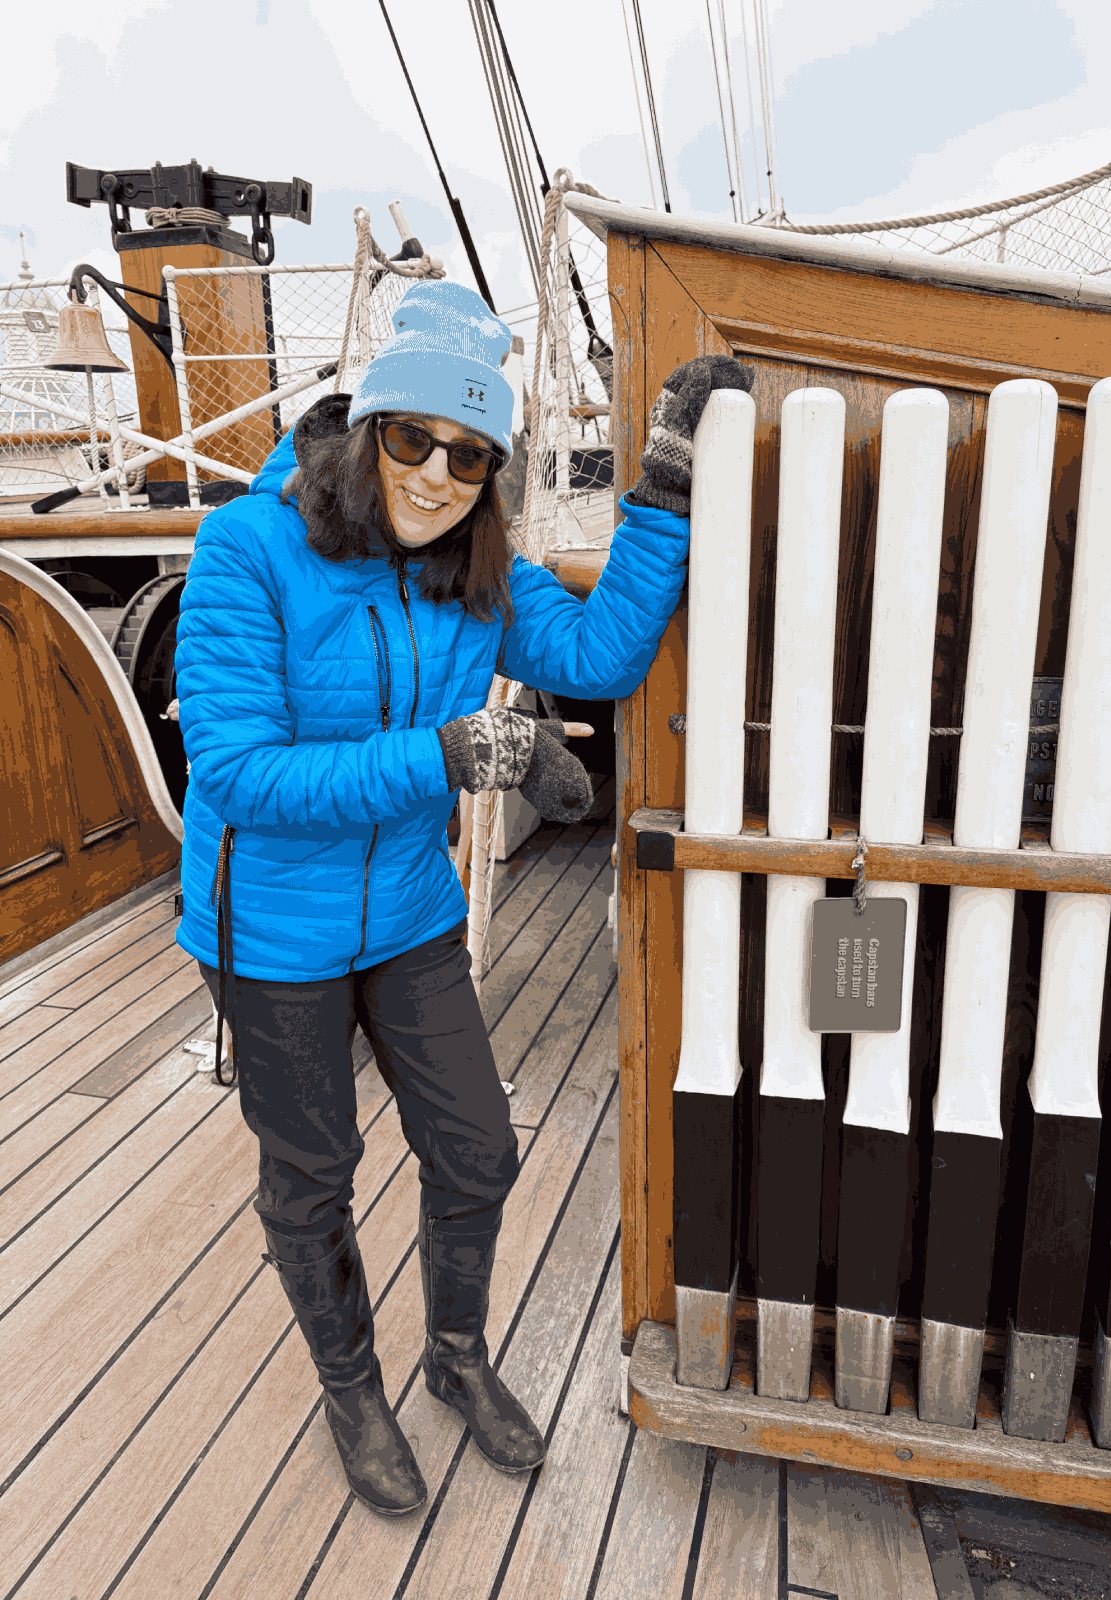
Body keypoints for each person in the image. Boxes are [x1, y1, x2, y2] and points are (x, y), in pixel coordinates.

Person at [174, 279, 752, 1518]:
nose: (439, 475)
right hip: (269, 928)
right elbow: (234, 772)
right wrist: (448, 755)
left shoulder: (475, 570)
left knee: (478, 1153)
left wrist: (662, 492)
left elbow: (596, 657)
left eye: (473, 454)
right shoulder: (246, 548)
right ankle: (354, 1390)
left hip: (409, 915)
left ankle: (456, 1357)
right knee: (313, 1174)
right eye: (414, 438)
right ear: (369, 426)